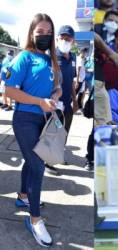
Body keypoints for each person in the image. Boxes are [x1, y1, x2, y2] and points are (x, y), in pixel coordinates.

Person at [4, 13, 62, 247]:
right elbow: (9, 90)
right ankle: (35, 219)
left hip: (45, 120)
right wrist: (39, 102)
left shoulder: (51, 60)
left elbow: (57, 86)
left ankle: (23, 197)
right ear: (32, 33)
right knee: (38, 164)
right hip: (25, 119)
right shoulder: (24, 57)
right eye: (40, 32)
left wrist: (56, 95)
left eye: (49, 33)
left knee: (31, 161)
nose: (45, 36)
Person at [45, 25, 78, 176]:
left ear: (73, 41)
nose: (65, 40)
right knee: (53, 133)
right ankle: (48, 162)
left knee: (64, 132)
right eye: (62, 38)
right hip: (54, 104)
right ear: (57, 39)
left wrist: (75, 100)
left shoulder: (73, 58)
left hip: (67, 104)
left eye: (68, 38)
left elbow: (71, 80)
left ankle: (57, 156)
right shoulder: (51, 56)